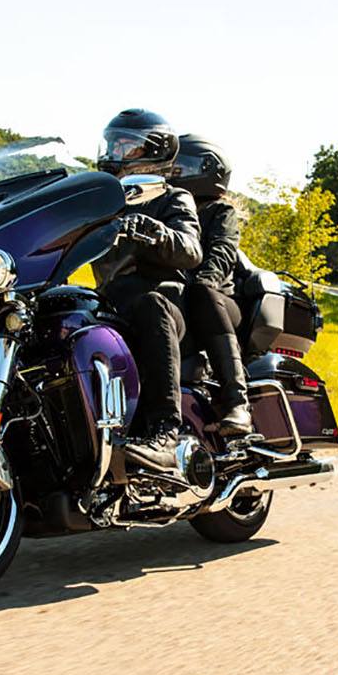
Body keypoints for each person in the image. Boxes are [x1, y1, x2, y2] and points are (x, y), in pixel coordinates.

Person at [90, 108, 203, 474]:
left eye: (126, 146)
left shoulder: (174, 198)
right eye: (112, 144)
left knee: (150, 305)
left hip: (165, 303)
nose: (114, 153)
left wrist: (155, 232)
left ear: (155, 150)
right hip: (113, 301)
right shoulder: (107, 202)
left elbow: (191, 249)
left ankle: (166, 433)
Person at [173, 134, 252, 435]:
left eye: (180, 167)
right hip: (183, 296)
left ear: (207, 170)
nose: (173, 173)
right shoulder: (170, 209)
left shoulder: (221, 212)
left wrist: (201, 281)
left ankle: (237, 403)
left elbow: (221, 253)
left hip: (220, 300)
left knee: (200, 293)